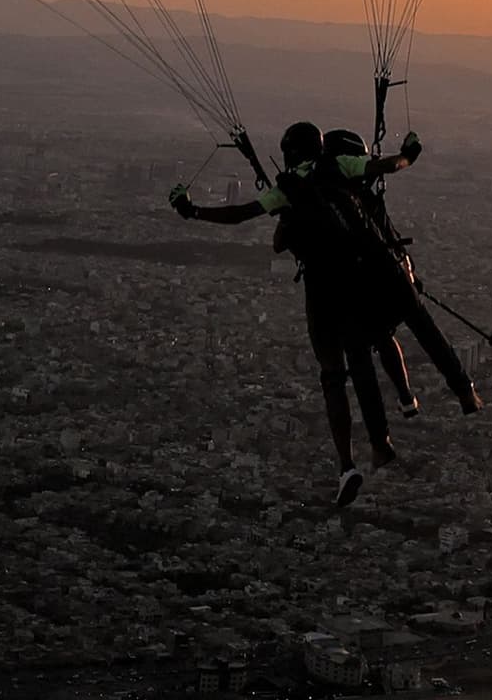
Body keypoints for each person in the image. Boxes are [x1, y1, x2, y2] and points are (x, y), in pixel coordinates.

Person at [171, 120, 471, 504]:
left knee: (333, 377)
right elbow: (387, 166)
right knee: (384, 335)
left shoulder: (287, 190)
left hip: (323, 297)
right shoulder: (341, 167)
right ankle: (415, 399)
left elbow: (241, 214)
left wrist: (192, 211)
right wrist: (410, 154)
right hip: (367, 282)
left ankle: (347, 463)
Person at [318, 126, 480, 417]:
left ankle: (403, 402)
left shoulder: (320, 186)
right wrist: (410, 155)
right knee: (424, 328)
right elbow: (391, 165)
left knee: (378, 339)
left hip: (360, 283)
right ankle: (465, 390)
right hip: (390, 271)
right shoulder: (351, 173)